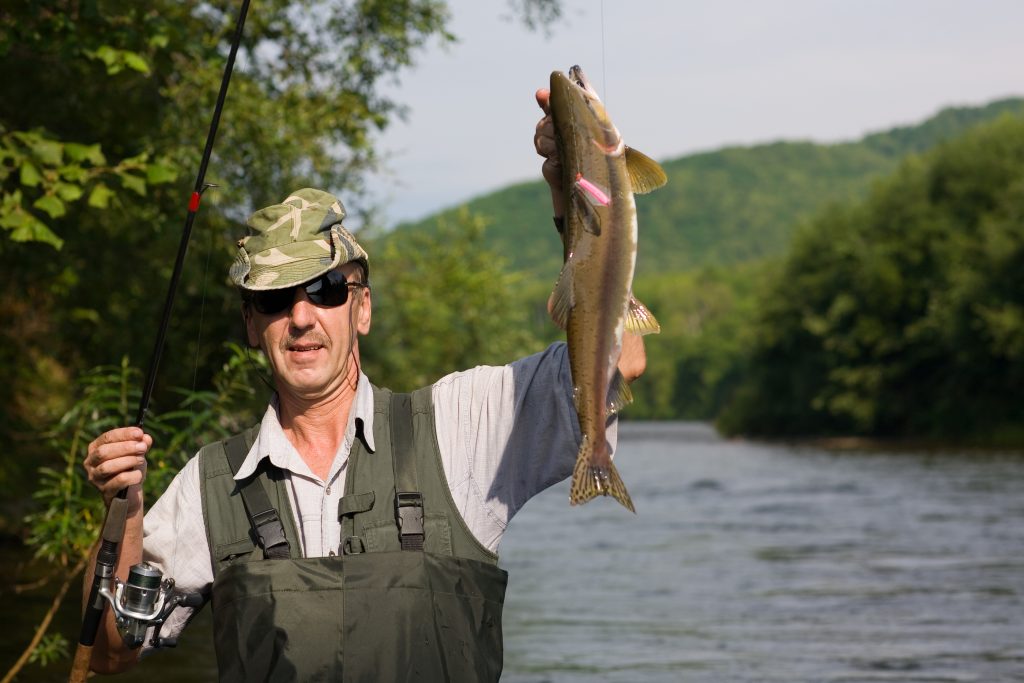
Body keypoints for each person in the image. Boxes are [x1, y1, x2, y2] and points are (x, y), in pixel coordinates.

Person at [82, 90, 646, 680]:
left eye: (326, 290)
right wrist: (126, 513)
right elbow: (108, 653)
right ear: (251, 324)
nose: (302, 317)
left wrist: (577, 189)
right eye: (275, 299)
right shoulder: (210, 483)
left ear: (363, 309)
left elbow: (622, 356)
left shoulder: (459, 426)